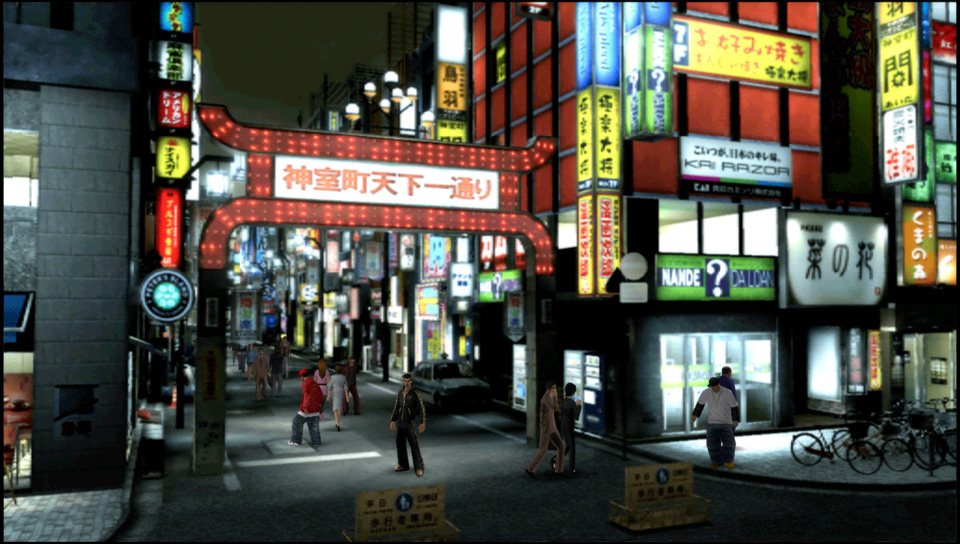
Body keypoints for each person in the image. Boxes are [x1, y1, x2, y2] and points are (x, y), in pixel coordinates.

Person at [691, 377, 740, 469]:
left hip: (726, 422)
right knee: (712, 443)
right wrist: (695, 415)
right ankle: (716, 462)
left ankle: (729, 461)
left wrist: (735, 419)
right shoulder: (706, 392)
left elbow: (734, 406)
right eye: (711, 387)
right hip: (712, 422)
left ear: (718, 384)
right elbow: (700, 405)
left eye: (714, 386)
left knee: (728, 442)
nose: (713, 388)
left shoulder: (727, 392)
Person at [526, 381, 564, 479]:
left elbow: (556, 409)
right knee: (542, 451)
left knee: (561, 447)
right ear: (548, 389)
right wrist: (554, 397)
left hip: (552, 428)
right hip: (546, 429)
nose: (555, 390)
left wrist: (555, 397)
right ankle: (530, 469)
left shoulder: (551, 397)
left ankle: (559, 470)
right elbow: (553, 408)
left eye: (555, 388)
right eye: (553, 388)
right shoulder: (545, 400)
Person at [390, 373, 426, 477]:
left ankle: (419, 467)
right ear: (403, 381)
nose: (406, 383)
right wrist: (393, 420)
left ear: (411, 381)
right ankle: (403, 464)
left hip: (409, 422)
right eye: (405, 381)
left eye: (408, 381)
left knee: (413, 444)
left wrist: (423, 422)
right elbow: (397, 407)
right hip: (400, 422)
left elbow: (422, 408)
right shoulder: (400, 393)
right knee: (400, 443)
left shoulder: (415, 394)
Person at [552, 383, 582, 475]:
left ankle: (556, 459)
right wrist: (579, 405)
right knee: (572, 447)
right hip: (569, 426)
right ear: (573, 392)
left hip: (563, 425)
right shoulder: (572, 402)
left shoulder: (564, 401)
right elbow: (576, 416)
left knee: (567, 445)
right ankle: (571, 468)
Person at [289, 369, 323, 447]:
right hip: (315, 409)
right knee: (314, 426)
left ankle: (296, 441)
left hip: (307, 409)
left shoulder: (305, 383)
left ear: (301, 376)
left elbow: (307, 396)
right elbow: (320, 394)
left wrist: (306, 407)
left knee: (296, 422)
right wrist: (319, 404)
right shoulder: (314, 383)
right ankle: (316, 442)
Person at [329, 363, 347, 431]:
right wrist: (347, 397)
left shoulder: (333, 377)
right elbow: (346, 387)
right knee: (339, 409)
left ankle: (337, 424)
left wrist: (328, 396)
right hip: (341, 393)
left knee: (335, 409)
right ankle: (338, 423)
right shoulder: (343, 377)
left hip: (335, 393)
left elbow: (330, 387)